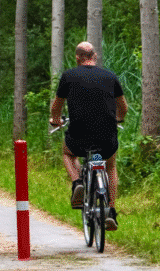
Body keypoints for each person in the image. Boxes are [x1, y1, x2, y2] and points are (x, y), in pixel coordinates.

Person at [49, 41, 128, 231]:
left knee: (67, 153)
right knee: (110, 165)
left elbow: (56, 106)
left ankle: (77, 182)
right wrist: (118, 118)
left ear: (77, 58)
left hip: (79, 138)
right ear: (95, 56)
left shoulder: (68, 76)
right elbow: (123, 107)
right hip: (107, 138)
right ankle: (111, 210)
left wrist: (56, 119)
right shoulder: (110, 76)